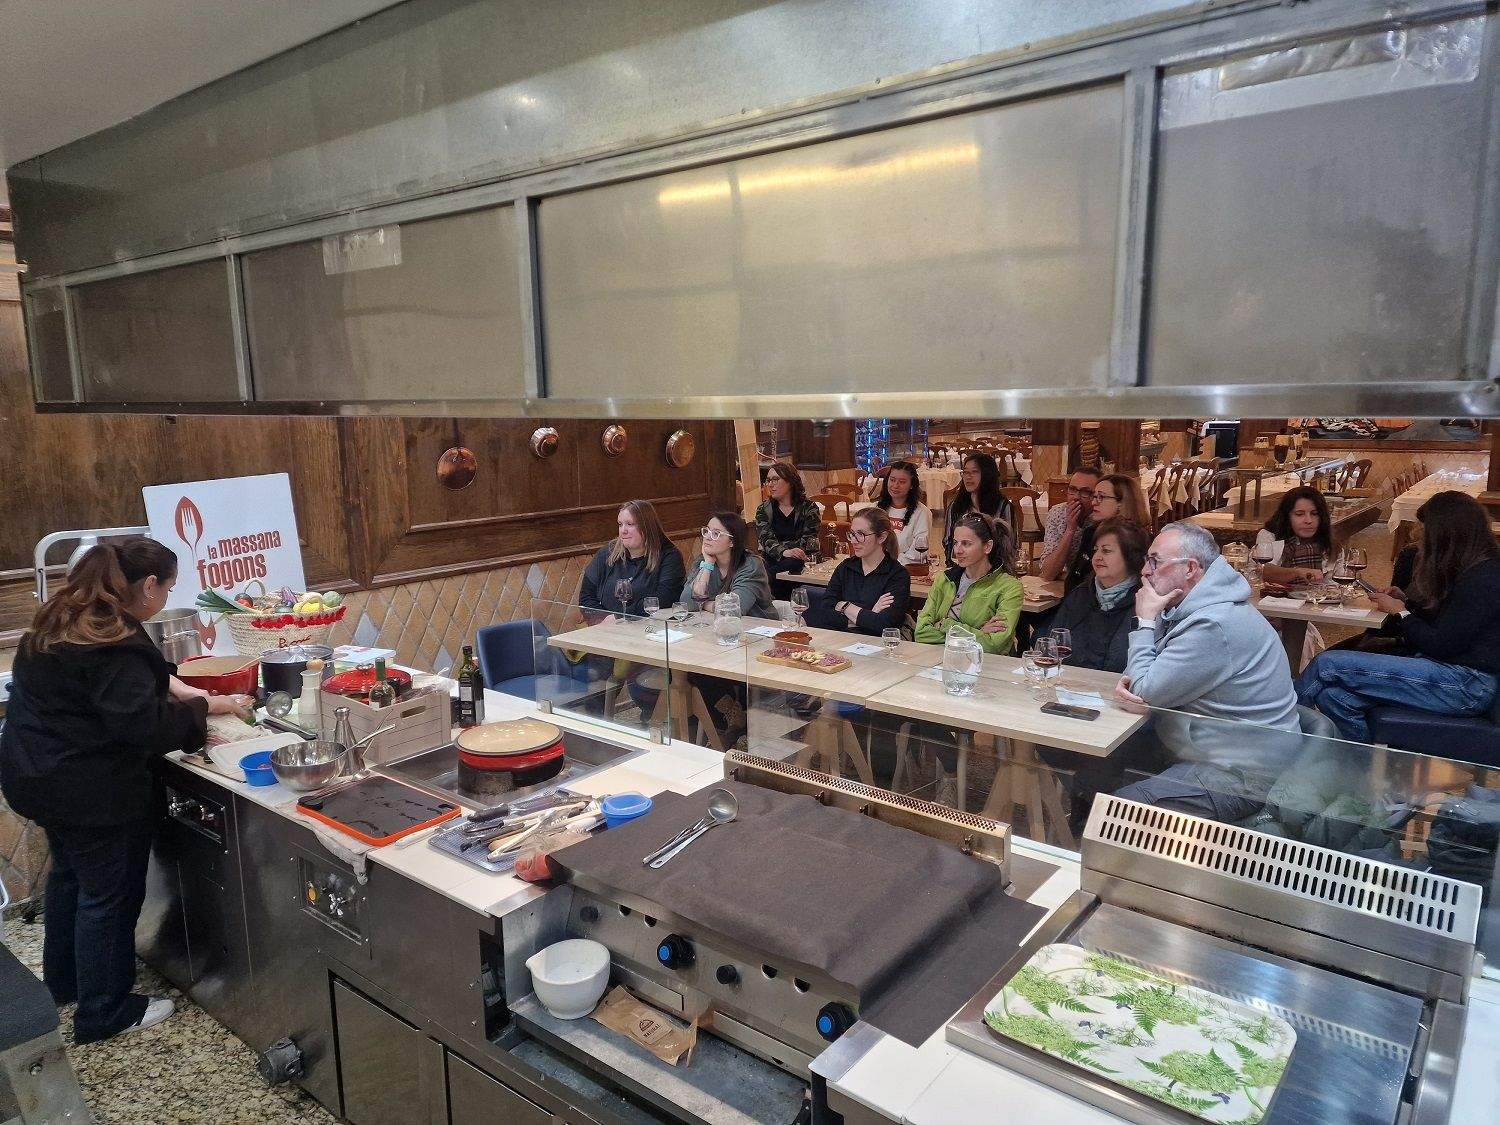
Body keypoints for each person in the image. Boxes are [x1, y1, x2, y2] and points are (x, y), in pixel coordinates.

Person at [0, 539, 252, 1043]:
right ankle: (105, 1011)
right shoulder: (114, 640)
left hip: (34, 775)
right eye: (169, 588)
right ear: (148, 585)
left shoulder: (66, 617)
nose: (164, 599)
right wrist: (206, 711)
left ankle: (67, 983)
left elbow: (123, 686)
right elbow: (146, 728)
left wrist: (174, 684)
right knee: (109, 895)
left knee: (71, 877)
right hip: (86, 789)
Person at [1296, 491, 1499, 743]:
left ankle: (1275, 735)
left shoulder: (1483, 580)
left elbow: (1440, 644)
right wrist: (1406, 602)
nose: (1420, 539)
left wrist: (1400, 612)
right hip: (1457, 677)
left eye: (1425, 532)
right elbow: (1451, 624)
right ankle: (1356, 771)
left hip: (1466, 684)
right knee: (1334, 698)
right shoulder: (1478, 570)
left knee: (1326, 665)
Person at [1115, 521, 1300, 780]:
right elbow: (1140, 680)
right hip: (1209, 749)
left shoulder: (1213, 624)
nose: (1145, 571)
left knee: (1122, 811)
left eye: (1155, 562)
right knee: (1099, 767)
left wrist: (1145, 621)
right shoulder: (1189, 609)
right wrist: (1138, 683)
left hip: (1244, 770)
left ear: (1190, 568)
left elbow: (1145, 691)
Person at [1046, 518, 1148, 673]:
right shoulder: (1080, 595)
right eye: (1095, 550)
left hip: (1119, 692)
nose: (1097, 557)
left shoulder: (1145, 604)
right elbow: (1051, 647)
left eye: (1106, 551)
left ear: (1130, 556)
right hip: (1069, 687)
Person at [917, 513, 1024, 655]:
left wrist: (946, 624)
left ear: (987, 546)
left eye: (966, 544)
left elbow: (994, 645)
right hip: (940, 661)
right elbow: (921, 633)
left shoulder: (1009, 587)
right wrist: (978, 633)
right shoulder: (944, 579)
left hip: (987, 666)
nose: (958, 551)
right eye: (956, 543)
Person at [805, 508, 912, 636]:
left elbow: (885, 624)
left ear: (882, 537)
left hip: (876, 646)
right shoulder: (846, 567)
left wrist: (845, 606)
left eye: (861, 534)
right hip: (840, 640)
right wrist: (870, 613)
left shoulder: (897, 575)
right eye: (852, 534)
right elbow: (824, 614)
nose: (853, 541)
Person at [578, 500, 686, 620]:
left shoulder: (669, 556)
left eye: (630, 524)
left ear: (647, 527)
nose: (623, 530)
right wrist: (604, 619)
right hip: (606, 627)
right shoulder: (608, 552)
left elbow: (665, 598)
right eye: (620, 524)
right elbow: (586, 597)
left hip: (649, 627)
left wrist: (620, 616)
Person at [1061, 474, 1151, 592]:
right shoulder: (1091, 533)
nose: (1094, 502)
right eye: (1094, 496)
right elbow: (1074, 578)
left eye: (1101, 497)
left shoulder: (1139, 540)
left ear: (1121, 502)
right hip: (1078, 602)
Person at [679, 511, 776, 620]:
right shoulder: (703, 561)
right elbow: (686, 603)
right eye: (706, 531)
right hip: (722, 626)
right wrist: (707, 565)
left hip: (760, 628)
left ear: (732, 542)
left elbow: (734, 609)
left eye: (716, 534)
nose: (707, 537)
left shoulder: (751, 564)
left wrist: (703, 603)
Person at [755, 461, 821, 599]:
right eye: (768, 480)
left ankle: (764, 584)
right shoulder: (764, 510)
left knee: (794, 563)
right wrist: (785, 551)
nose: (770, 484)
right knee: (758, 565)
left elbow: (809, 541)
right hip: (772, 559)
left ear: (790, 481)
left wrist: (788, 550)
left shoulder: (809, 508)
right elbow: (766, 540)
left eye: (775, 479)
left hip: (800, 559)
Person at [1254, 486, 1333, 585]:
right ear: (1287, 516)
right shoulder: (1269, 535)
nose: (1308, 520)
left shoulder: (1328, 542)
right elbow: (1263, 570)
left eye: (1314, 514)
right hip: (1275, 598)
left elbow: (1335, 582)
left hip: (1317, 599)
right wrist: (1297, 572)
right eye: (1299, 514)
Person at [943, 453, 1013, 563]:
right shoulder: (955, 507)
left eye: (974, 472)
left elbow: (1010, 547)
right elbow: (948, 543)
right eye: (965, 472)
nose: (968, 476)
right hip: (961, 569)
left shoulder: (1003, 507)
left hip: (994, 570)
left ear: (987, 475)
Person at [1039, 468, 1102, 581]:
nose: (1076, 497)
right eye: (1072, 489)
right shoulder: (1057, 513)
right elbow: (1048, 573)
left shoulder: (1102, 517)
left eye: (1085, 492)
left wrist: (1066, 575)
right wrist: (1070, 530)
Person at [872, 461, 933, 565]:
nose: (895, 485)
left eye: (902, 482)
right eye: (892, 480)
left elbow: (918, 552)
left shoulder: (922, 512)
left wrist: (890, 564)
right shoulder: (875, 509)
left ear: (912, 485)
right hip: (874, 565)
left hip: (905, 569)